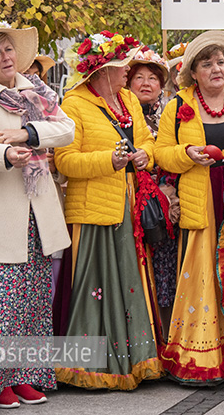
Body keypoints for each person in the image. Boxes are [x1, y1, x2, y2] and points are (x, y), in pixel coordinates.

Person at [0, 21, 75, 408]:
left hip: (37, 213)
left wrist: (26, 135)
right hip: (1, 213)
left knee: (33, 299)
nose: (6, 57)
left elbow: (67, 129)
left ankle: (24, 374)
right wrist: (3, 155)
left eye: (9, 50)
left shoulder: (35, 90)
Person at [154, 31, 224, 386]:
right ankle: (207, 355)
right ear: (194, 72)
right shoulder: (178, 107)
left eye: (220, 62)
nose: (216, 69)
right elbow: (161, 153)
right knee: (206, 280)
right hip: (200, 202)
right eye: (207, 64)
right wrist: (187, 154)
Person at [54, 31, 164, 390]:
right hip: (92, 213)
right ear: (103, 71)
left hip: (127, 207)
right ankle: (93, 367)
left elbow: (146, 138)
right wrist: (109, 161)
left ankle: (134, 360)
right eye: (123, 66)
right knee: (94, 288)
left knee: (128, 285)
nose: (128, 70)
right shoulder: (74, 104)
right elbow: (65, 161)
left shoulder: (128, 99)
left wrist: (145, 154)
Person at [127, 48, 180, 331]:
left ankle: (167, 330)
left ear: (162, 84)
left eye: (153, 78)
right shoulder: (120, 117)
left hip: (164, 204)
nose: (146, 83)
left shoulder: (172, 114)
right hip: (127, 199)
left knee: (165, 269)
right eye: (138, 77)